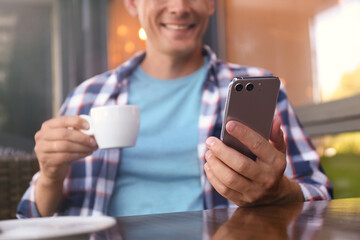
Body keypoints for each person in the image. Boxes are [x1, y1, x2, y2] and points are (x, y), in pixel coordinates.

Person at [17, 0, 332, 218]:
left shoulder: (259, 89)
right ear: (131, 3)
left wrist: (279, 193)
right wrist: (49, 176)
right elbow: (32, 217)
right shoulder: (86, 97)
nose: (180, 8)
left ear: (211, 3)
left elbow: (319, 193)